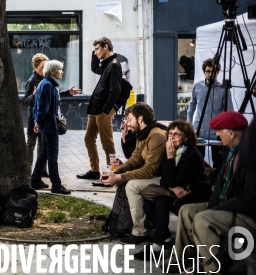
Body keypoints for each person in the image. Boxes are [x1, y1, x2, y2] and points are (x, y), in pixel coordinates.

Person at [173, 111, 255, 274]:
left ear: (231, 133)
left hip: (247, 215)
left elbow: (248, 200)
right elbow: (219, 184)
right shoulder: (229, 152)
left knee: (203, 219)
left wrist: (216, 209)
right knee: (186, 211)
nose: (217, 135)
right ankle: (184, 260)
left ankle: (213, 269)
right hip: (228, 206)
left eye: (219, 131)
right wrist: (213, 205)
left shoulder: (250, 156)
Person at [133, 120, 210, 259]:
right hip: (176, 192)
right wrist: (173, 185)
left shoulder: (191, 154)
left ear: (186, 137)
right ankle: (167, 239)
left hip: (193, 194)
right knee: (148, 205)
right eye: (170, 134)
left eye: (176, 135)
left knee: (161, 200)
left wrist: (170, 158)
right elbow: (165, 181)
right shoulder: (170, 150)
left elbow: (173, 180)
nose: (171, 138)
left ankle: (157, 246)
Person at [101, 102, 167, 244]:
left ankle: (140, 232)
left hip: (165, 179)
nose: (127, 123)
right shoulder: (143, 133)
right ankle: (126, 224)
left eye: (129, 119)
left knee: (132, 185)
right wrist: (116, 173)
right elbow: (136, 158)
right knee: (121, 182)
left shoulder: (156, 135)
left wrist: (120, 175)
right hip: (154, 176)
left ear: (140, 119)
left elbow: (150, 170)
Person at [30, 60, 79, 195]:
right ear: (52, 71)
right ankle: (56, 185)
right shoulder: (47, 85)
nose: (62, 72)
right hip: (49, 125)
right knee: (52, 155)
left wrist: (38, 122)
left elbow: (40, 105)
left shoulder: (48, 85)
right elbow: (42, 108)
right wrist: (38, 122)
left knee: (45, 152)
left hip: (48, 125)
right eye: (59, 69)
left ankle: (35, 179)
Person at [78, 37, 122, 180]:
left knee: (107, 143)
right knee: (89, 139)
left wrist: (106, 109)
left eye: (97, 49)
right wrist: (94, 53)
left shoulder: (114, 64)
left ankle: (113, 173)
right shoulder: (107, 63)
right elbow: (95, 68)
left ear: (106, 47)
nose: (96, 52)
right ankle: (94, 170)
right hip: (95, 108)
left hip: (103, 110)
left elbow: (116, 90)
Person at [187, 58, 232, 145]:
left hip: (217, 131)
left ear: (218, 72)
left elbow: (229, 110)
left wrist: (227, 130)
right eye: (208, 71)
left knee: (218, 158)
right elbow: (192, 105)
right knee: (198, 157)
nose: (211, 74)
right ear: (204, 72)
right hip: (199, 129)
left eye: (214, 71)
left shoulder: (223, 88)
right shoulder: (197, 86)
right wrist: (189, 122)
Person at [22, 53, 49, 174]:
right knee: (31, 144)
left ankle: (42, 170)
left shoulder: (46, 79)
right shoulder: (32, 81)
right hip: (33, 117)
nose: (44, 70)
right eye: (42, 67)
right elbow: (25, 100)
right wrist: (34, 95)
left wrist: (67, 92)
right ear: (35, 68)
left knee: (43, 144)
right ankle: (27, 170)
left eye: (46, 67)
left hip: (44, 117)